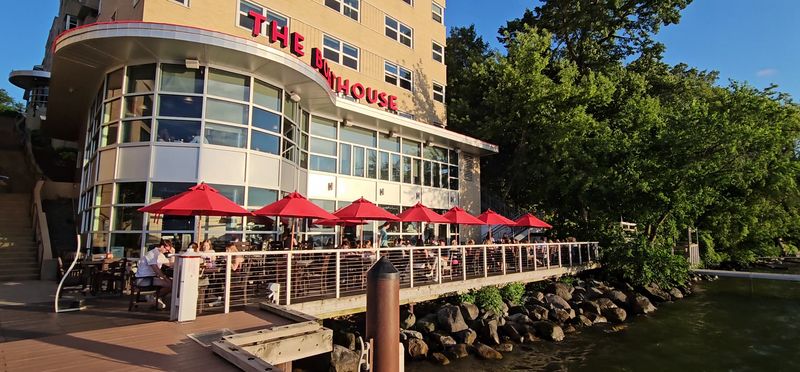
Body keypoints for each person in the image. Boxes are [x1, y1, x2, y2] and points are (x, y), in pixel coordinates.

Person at [135, 240, 175, 309]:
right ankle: (154, 297)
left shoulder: (160, 255)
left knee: (172, 283)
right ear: (162, 246)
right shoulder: (152, 254)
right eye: (167, 250)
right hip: (143, 279)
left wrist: (173, 254)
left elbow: (171, 265)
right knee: (171, 284)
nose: (167, 252)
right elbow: (156, 269)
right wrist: (165, 278)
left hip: (151, 278)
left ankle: (155, 297)